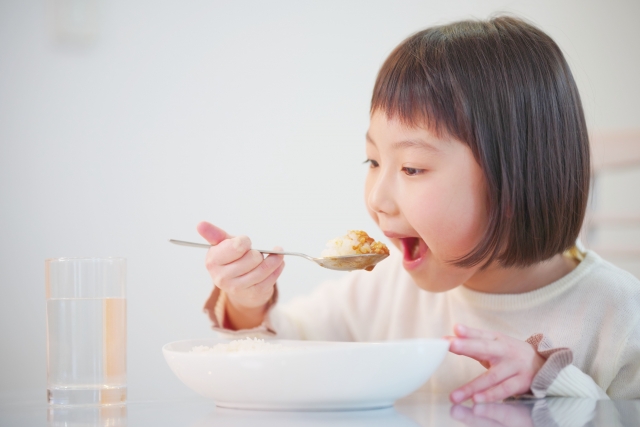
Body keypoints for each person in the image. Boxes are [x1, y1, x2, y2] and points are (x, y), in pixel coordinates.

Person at [196, 15, 640, 403]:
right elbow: (286, 350)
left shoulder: (617, 313)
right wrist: (248, 302)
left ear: (516, 179)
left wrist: (553, 382)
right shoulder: (387, 289)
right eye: (373, 162)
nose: (376, 199)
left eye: (411, 168)